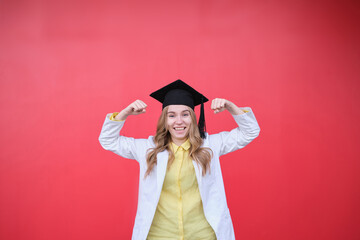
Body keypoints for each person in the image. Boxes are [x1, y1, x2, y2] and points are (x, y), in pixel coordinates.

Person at [99, 79, 260, 240]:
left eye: (185, 114)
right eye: (172, 115)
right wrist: (124, 113)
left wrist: (231, 107)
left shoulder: (210, 146)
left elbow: (250, 132)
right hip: (159, 235)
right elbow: (108, 140)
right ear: (165, 119)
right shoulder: (148, 149)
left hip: (203, 234)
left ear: (193, 118)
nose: (179, 121)